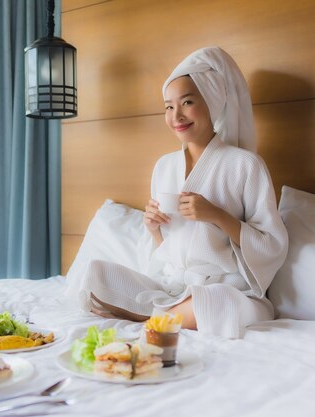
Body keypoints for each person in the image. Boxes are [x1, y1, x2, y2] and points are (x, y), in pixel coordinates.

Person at [72, 47, 288, 338]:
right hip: (172, 287)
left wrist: (217, 216)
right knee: (95, 275)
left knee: (215, 303)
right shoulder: (164, 166)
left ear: (212, 102)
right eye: (169, 106)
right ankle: (170, 314)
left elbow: (271, 245)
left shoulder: (246, 165)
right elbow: (168, 254)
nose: (177, 116)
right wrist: (153, 229)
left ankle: (152, 317)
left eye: (187, 102)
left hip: (228, 290)